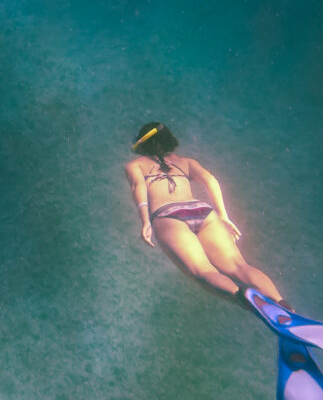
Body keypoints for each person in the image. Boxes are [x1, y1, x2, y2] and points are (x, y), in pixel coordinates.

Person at [124, 122, 292, 309]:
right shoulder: (186, 162)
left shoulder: (135, 165)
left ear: (143, 145)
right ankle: (282, 303)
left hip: (168, 215)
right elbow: (210, 180)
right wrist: (223, 215)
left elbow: (137, 187)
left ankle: (245, 299)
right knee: (238, 266)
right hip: (202, 210)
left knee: (203, 272)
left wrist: (145, 221)